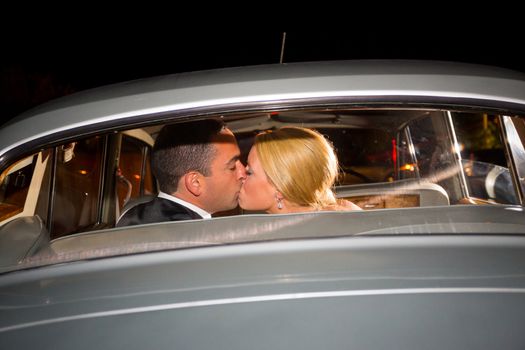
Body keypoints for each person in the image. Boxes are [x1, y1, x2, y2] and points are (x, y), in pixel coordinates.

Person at [117, 119, 246, 227]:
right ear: (195, 182)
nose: (243, 172)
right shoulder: (197, 240)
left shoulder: (129, 216)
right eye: (232, 166)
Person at [238, 126, 361, 213]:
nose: (241, 175)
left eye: (249, 172)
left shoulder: (264, 239)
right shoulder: (346, 214)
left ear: (281, 188)